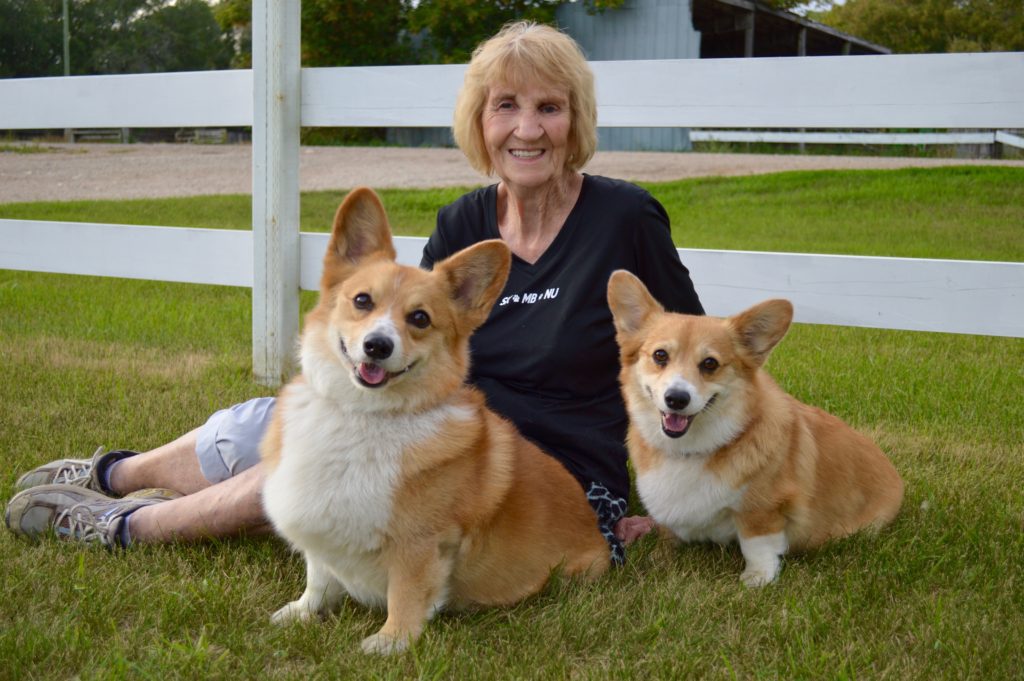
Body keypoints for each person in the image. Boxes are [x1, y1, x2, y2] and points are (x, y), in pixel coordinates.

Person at [5, 21, 703, 564]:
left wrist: (675, 502)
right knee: (277, 420)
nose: (528, 128)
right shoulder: (463, 221)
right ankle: (114, 473)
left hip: (554, 464)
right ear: (480, 121)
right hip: (441, 428)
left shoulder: (625, 218)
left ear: (575, 121)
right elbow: (410, 341)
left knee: (324, 459)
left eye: (549, 108)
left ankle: (122, 527)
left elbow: (695, 362)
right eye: (507, 106)